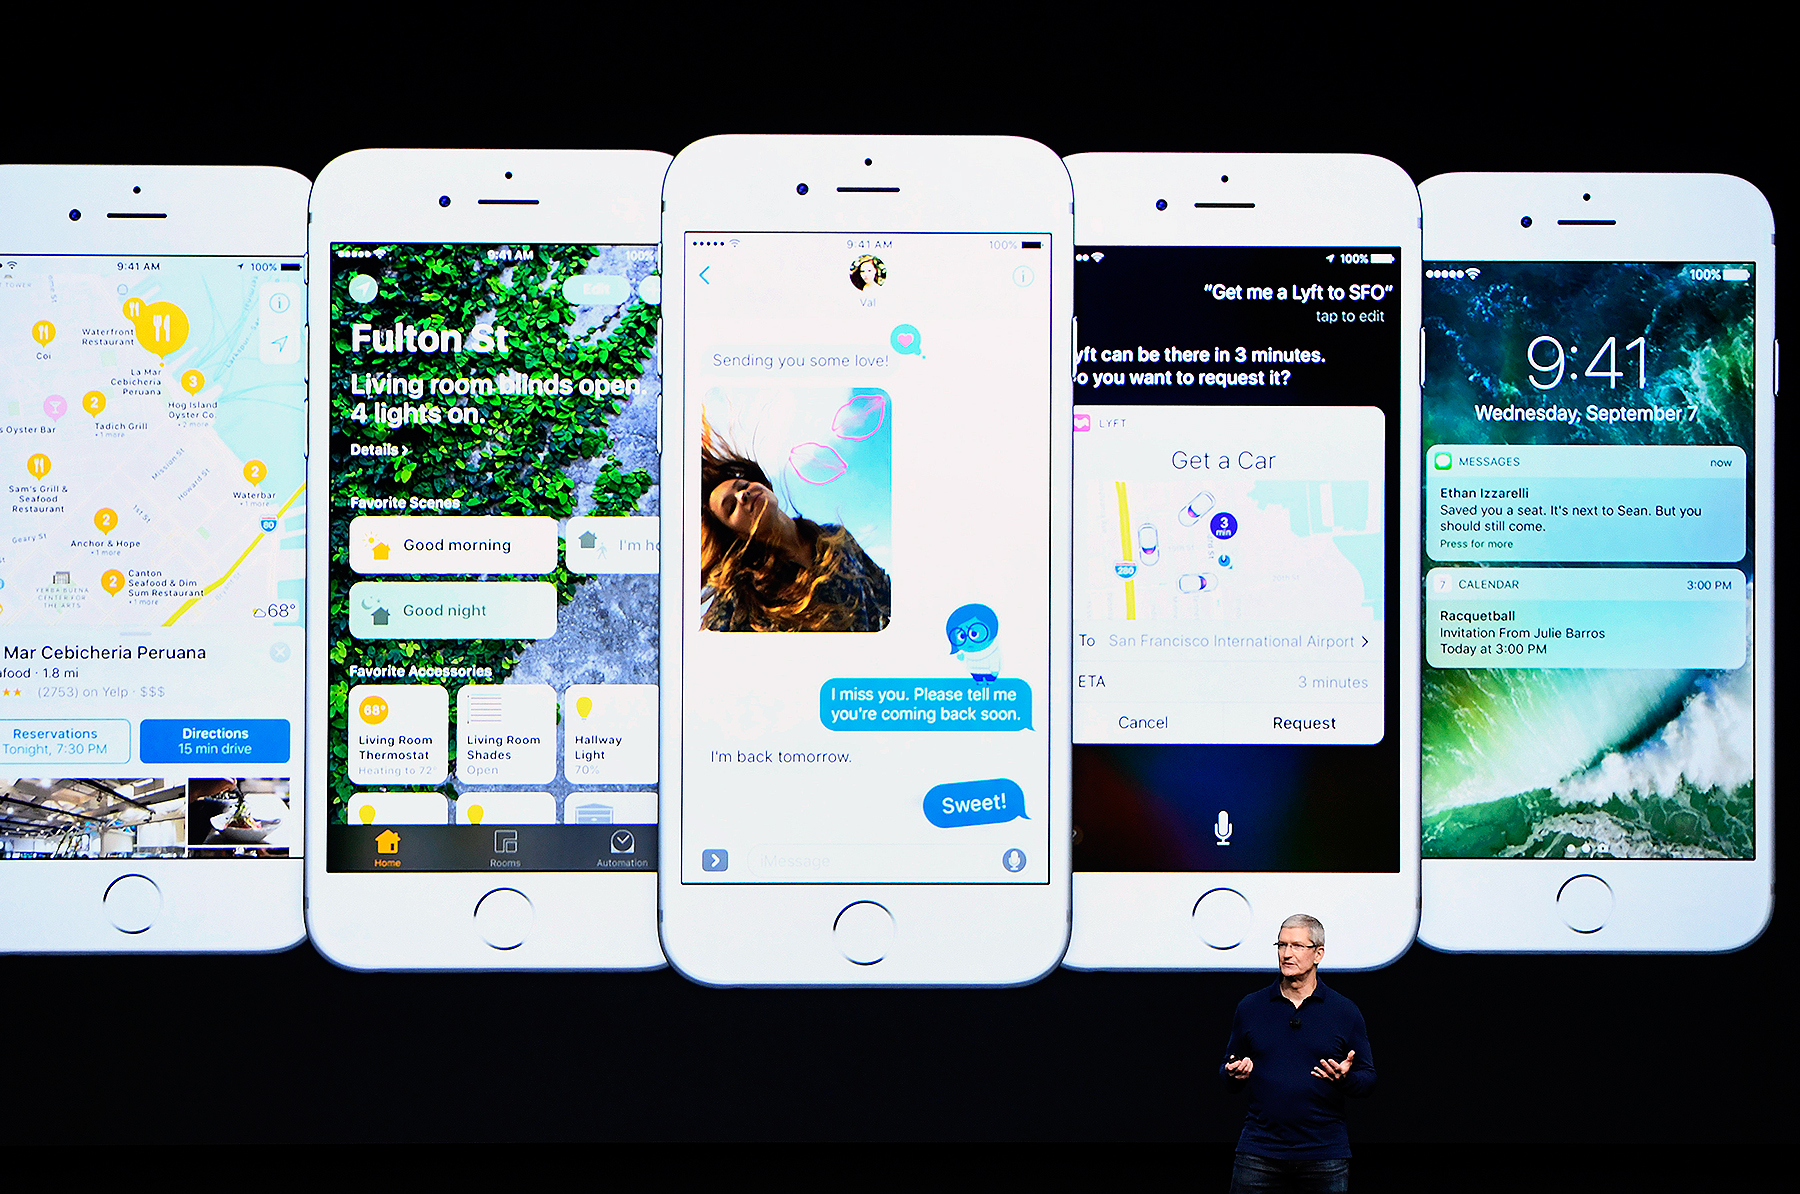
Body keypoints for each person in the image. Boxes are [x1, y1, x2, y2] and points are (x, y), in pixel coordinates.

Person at [1220, 913, 1375, 1192]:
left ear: (1318, 954)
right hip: (1259, 1151)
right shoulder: (1251, 1007)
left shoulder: (1344, 1011)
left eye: (1296, 946)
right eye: (1281, 945)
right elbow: (1227, 1071)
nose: (1287, 954)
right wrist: (1233, 1073)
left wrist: (1345, 1079)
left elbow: (1368, 1078)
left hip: (1324, 1153)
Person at [699, 427, 890, 632]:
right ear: (736, 534)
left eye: (743, 485)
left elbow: (886, 594)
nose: (742, 495)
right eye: (731, 507)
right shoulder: (744, 592)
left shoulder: (837, 537)